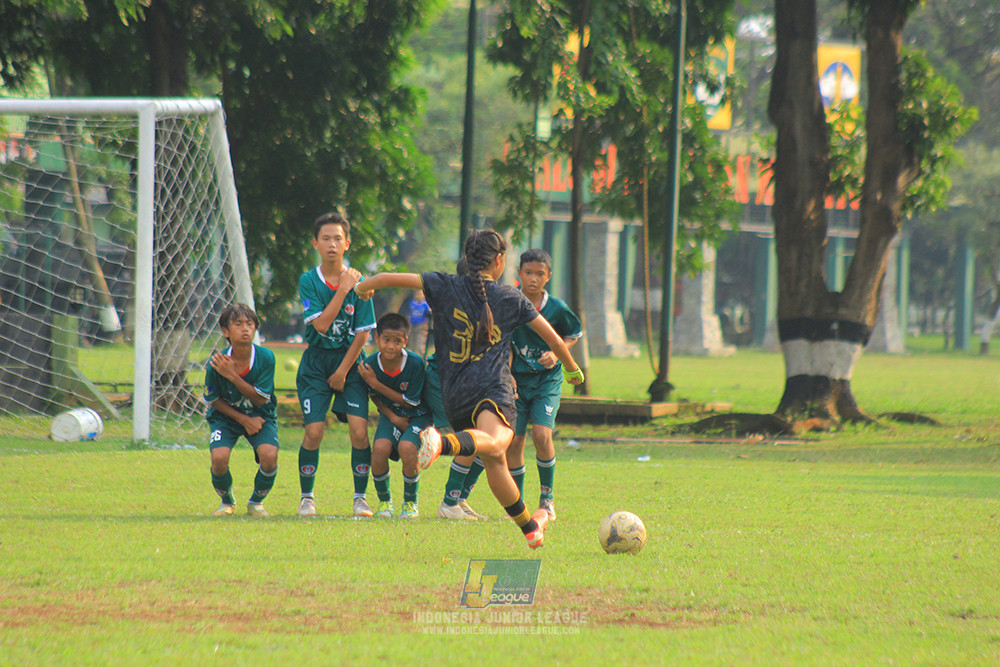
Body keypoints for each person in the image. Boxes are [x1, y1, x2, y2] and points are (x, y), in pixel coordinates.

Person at [354, 229, 584, 549]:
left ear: (467, 257)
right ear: (499, 260)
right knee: (497, 442)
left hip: (455, 394)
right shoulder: (510, 297)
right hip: (492, 389)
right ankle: (442, 444)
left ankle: (529, 527)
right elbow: (555, 340)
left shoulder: (442, 283)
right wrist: (572, 369)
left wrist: (362, 287)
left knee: (494, 458)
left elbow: (383, 278)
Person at [295, 212, 377, 518]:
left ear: (347, 244)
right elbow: (321, 325)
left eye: (337, 238)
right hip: (316, 363)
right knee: (314, 432)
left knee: (359, 432)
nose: (332, 244)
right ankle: (307, 498)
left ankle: (360, 498)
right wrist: (343, 289)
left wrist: (343, 371)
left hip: (351, 362)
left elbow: (363, 333)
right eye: (326, 238)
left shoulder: (362, 284)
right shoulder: (308, 281)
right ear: (315, 243)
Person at [506, 249, 582, 521]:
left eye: (540, 274)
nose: (533, 279)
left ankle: (547, 500)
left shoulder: (557, 308)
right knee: (514, 440)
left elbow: (573, 334)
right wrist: (507, 372)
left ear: (548, 276)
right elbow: (505, 341)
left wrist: (557, 354)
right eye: (528, 273)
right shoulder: (510, 304)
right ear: (519, 273)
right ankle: (517, 504)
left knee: (541, 435)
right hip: (517, 381)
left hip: (546, 381)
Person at [204, 303, 278, 518]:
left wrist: (232, 376)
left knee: (269, 456)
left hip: (261, 416)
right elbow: (213, 399)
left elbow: (260, 399)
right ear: (225, 331)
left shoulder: (266, 358)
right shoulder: (216, 363)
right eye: (238, 324)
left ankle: (256, 503)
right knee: (219, 458)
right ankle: (226, 502)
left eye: (250, 323)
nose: (245, 328)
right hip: (226, 418)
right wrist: (243, 420)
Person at [357, 312, 430, 520]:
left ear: (405, 341)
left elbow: (409, 402)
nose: (391, 346)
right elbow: (374, 396)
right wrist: (393, 417)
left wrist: (376, 384)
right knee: (379, 449)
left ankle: (410, 503)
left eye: (397, 341)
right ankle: (384, 502)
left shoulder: (415, 363)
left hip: (418, 415)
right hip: (391, 415)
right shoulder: (370, 365)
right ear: (377, 338)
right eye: (386, 340)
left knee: (407, 448)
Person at [405, 290, 431, 355]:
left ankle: (421, 356)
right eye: (417, 294)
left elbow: (429, 314)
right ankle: (413, 355)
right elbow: (409, 315)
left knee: (419, 343)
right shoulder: (412, 304)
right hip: (413, 325)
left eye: (420, 294)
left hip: (421, 326)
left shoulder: (425, 305)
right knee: (412, 343)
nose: (418, 296)